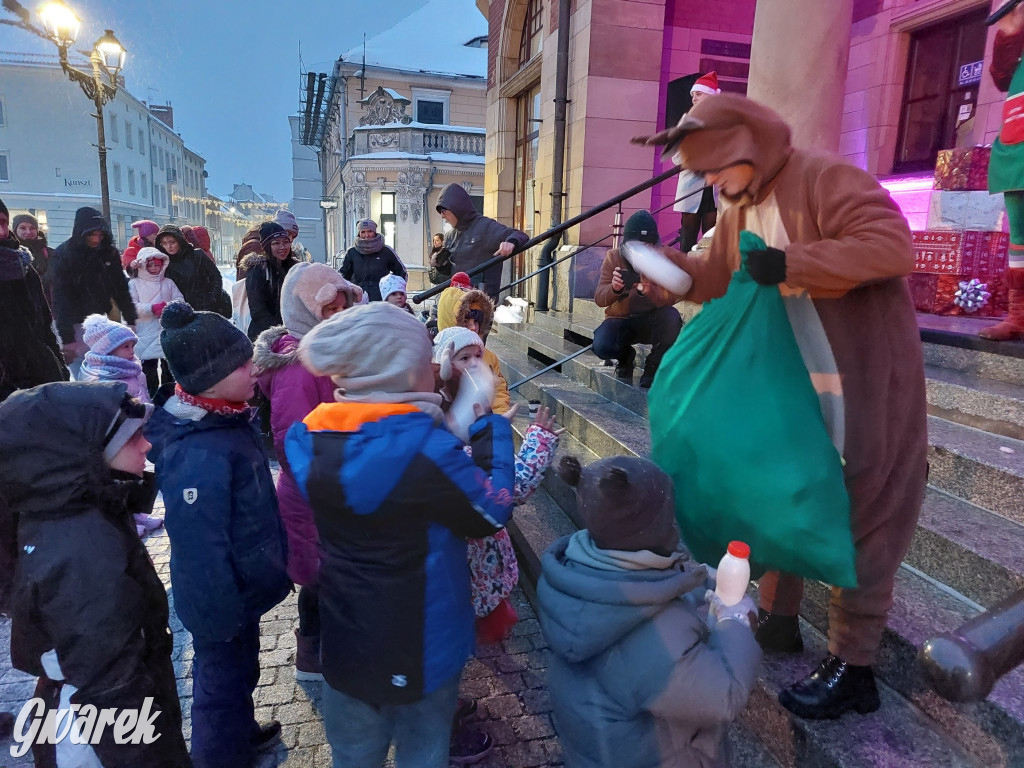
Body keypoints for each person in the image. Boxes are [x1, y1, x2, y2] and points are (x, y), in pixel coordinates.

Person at [633, 93, 927, 719]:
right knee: (775, 489)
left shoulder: (826, 178)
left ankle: (856, 664)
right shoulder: (738, 204)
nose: (711, 183)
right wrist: (669, 271)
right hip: (786, 381)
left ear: (749, 147)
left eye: (715, 168)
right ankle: (779, 617)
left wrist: (793, 263)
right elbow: (721, 274)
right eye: (704, 174)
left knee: (865, 513)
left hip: (859, 381)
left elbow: (890, 245)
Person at [285, 302, 515, 768]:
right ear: (403, 373)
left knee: (352, 756)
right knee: (424, 754)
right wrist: (489, 427)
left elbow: (378, 454)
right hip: (423, 644)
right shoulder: (429, 452)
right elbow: (489, 513)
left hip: (347, 640)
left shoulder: (305, 437)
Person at [0, 381, 191, 768]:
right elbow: (112, 690)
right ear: (82, 455)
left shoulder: (72, 510)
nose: (147, 445)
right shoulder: (85, 553)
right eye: (133, 437)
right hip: (103, 739)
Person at [537, 455, 761, 768]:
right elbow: (722, 694)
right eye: (668, 519)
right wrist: (734, 619)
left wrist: (693, 584)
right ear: (653, 530)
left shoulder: (578, 574)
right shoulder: (651, 640)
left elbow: (643, 594)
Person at [146, 301, 291, 768]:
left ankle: (239, 735)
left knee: (240, 671)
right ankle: (218, 757)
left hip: (240, 586)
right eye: (244, 364)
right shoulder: (200, 451)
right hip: (220, 599)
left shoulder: (225, 415)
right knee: (217, 687)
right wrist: (220, 611)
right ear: (211, 376)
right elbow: (201, 547)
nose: (254, 370)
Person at [254, 262, 362, 681]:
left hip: (327, 487)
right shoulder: (301, 368)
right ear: (305, 313)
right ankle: (314, 656)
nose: (338, 317)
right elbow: (294, 440)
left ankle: (321, 650)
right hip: (313, 493)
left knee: (325, 576)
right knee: (318, 579)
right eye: (329, 311)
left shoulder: (322, 354)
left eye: (342, 307)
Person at [592, 210, 684, 388]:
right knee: (601, 345)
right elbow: (599, 298)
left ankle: (653, 366)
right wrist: (614, 289)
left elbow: (676, 293)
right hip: (621, 321)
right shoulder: (614, 257)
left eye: (647, 245)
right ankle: (626, 358)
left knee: (672, 318)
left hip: (652, 319)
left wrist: (651, 291)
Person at [981, 0, 1024, 340]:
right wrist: (1010, 30)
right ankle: (1017, 317)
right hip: (1015, 149)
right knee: (1019, 240)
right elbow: (1000, 78)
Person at [51, 207, 138, 375]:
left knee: (103, 369)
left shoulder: (108, 253)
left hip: (101, 319)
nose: (97, 239)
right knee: (82, 371)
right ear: (81, 232)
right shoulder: (65, 254)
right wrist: (67, 338)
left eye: (101, 234)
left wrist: (130, 318)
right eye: (92, 234)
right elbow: (61, 297)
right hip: (75, 322)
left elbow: (120, 287)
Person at [0, 200, 67, 403]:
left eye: (3, 222)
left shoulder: (23, 268)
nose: (0, 231)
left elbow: (44, 328)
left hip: (37, 380)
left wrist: (60, 371)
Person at [435, 183, 528, 300]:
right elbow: (451, 271)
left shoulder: (485, 227)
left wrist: (511, 242)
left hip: (480, 304)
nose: (442, 216)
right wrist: (440, 264)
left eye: (443, 211)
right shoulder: (450, 235)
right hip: (455, 301)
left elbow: (519, 235)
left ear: (456, 207)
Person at [437, 278, 512, 413]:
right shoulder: (436, 359)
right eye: (466, 321)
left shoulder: (489, 358)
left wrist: (498, 417)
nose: (472, 327)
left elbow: (499, 392)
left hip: (484, 424)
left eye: (476, 321)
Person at [673, 72, 721, 253]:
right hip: (691, 185)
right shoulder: (686, 122)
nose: (694, 98)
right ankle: (685, 273)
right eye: (693, 95)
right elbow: (675, 157)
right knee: (688, 234)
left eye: (698, 94)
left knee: (711, 236)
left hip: (714, 185)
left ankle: (706, 274)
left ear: (710, 94)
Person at [129, 247, 184, 398]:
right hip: (145, 331)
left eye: (157, 264)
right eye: (150, 265)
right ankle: (151, 396)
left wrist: (169, 306)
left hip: (167, 331)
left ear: (163, 265)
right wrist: (151, 308)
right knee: (148, 368)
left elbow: (180, 299)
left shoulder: (168, 282)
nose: (154, 268)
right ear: (143, 266)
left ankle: (169, 396)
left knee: (169, 368)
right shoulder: (134, 284)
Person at [157, 224, 231, 317]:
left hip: (205, 309)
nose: (169, 246)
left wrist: (212, 300)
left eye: (172, 242)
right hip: (179, 312)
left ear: (180, 241)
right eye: (164, 243)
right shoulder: (164, 261)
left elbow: (216, 277)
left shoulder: (197, 255)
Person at [244, 221, 300, 340]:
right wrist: (279, 331)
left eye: (286, 242)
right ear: (267, 246)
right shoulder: (257, 269)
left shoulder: (295, 268)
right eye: (276, 243)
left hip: (293, 333)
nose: (282, 247)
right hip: (264, 336)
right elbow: (258, 309)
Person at [339, 218, 407, 301]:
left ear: (374, 232)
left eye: (369, 231)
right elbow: (342, 275)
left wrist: (394, 292)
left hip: (381, 299)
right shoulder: (352, 252)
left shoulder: (386, 251)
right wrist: (349, 293)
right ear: (359, 233)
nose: (366, 235)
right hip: (359, 299)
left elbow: (401, 272)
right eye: (363, 232)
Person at [13, 212, 56, 305]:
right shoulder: (8, 253)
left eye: (32, 228)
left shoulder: (50, 254)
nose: (28, 232)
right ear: (15, 230)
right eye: (22, 228)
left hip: (46, 306)